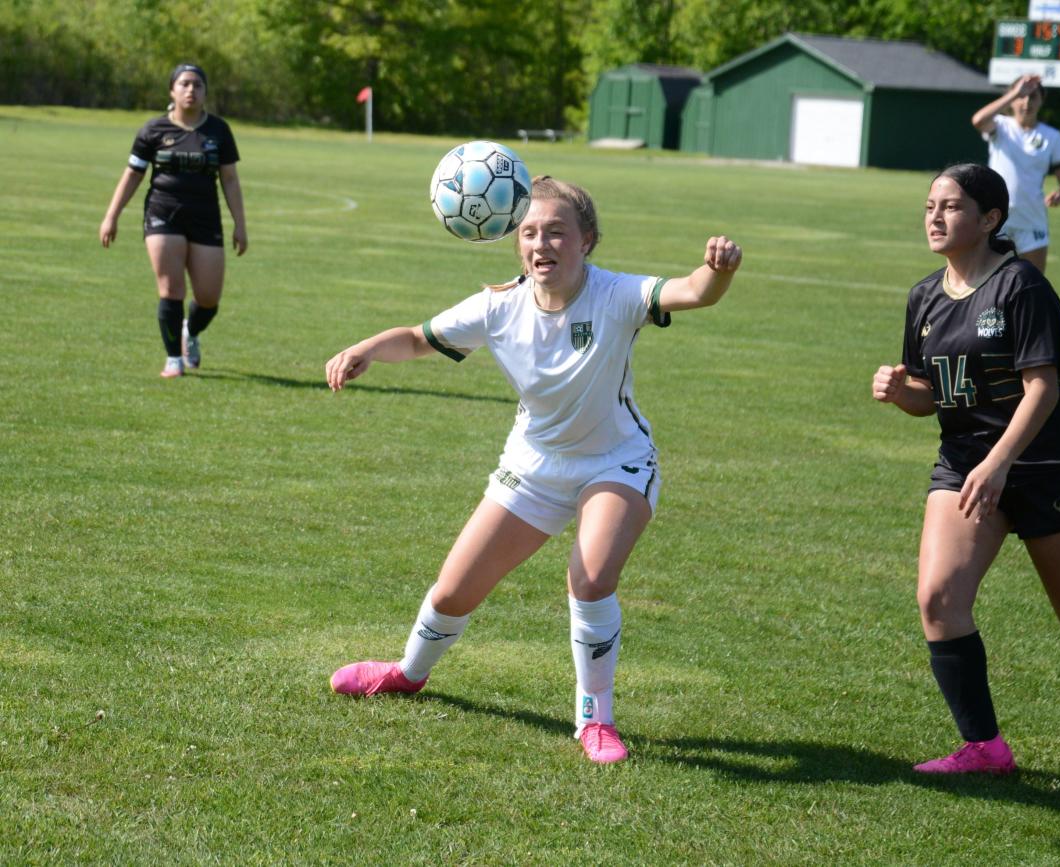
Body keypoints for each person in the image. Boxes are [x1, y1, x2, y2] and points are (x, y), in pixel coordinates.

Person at [324, 175, 742, 764]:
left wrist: (718, 269)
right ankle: (407, 674)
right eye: (529, 233)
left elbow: (695, 291)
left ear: (587, 240)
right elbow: (418, 340)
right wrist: (366, 347)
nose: (541, 244)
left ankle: (595, 719)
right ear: (514, 241)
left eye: (556, 232)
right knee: (454, 589)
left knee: (590, 577)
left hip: (615, 461)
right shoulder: (497, 306)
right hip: (534, 465)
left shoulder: (618, 294)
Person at [871, 163, 1060, 775]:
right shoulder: (924, 297)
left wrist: (1000, 461)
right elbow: (934, 396)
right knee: (938, 600)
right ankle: (985, 749)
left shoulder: (1021, 287)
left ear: (990, 219)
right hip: (965, 464)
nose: (935, 216)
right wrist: (898, 393)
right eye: (930, 204)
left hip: (1046, 463)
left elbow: (1042, 388)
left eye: (952, 206)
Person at [100, 63, 247, 378]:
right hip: (163, 214)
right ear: (172, 90)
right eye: (184, 84)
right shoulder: (153, 130)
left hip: (206, 218)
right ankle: (173, 360)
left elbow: (230, 180)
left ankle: (189, 333)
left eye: (197, 85)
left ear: (206, 92)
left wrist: (240, 224)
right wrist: (111, 216)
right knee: (171, 289)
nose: (191, 90)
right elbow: (133, 175)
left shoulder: (218, 131)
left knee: (208, 298)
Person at [972, 74, 1060, 274]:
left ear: (1041, 100)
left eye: (1033, 96)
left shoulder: (1052, 136)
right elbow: (978, 120)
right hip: (998, 219)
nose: (1027, 102)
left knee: (1033, 286)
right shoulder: (1000, 126)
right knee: (989, 284)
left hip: (1032, 219)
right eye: (1022, 96)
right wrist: (1015, 92)